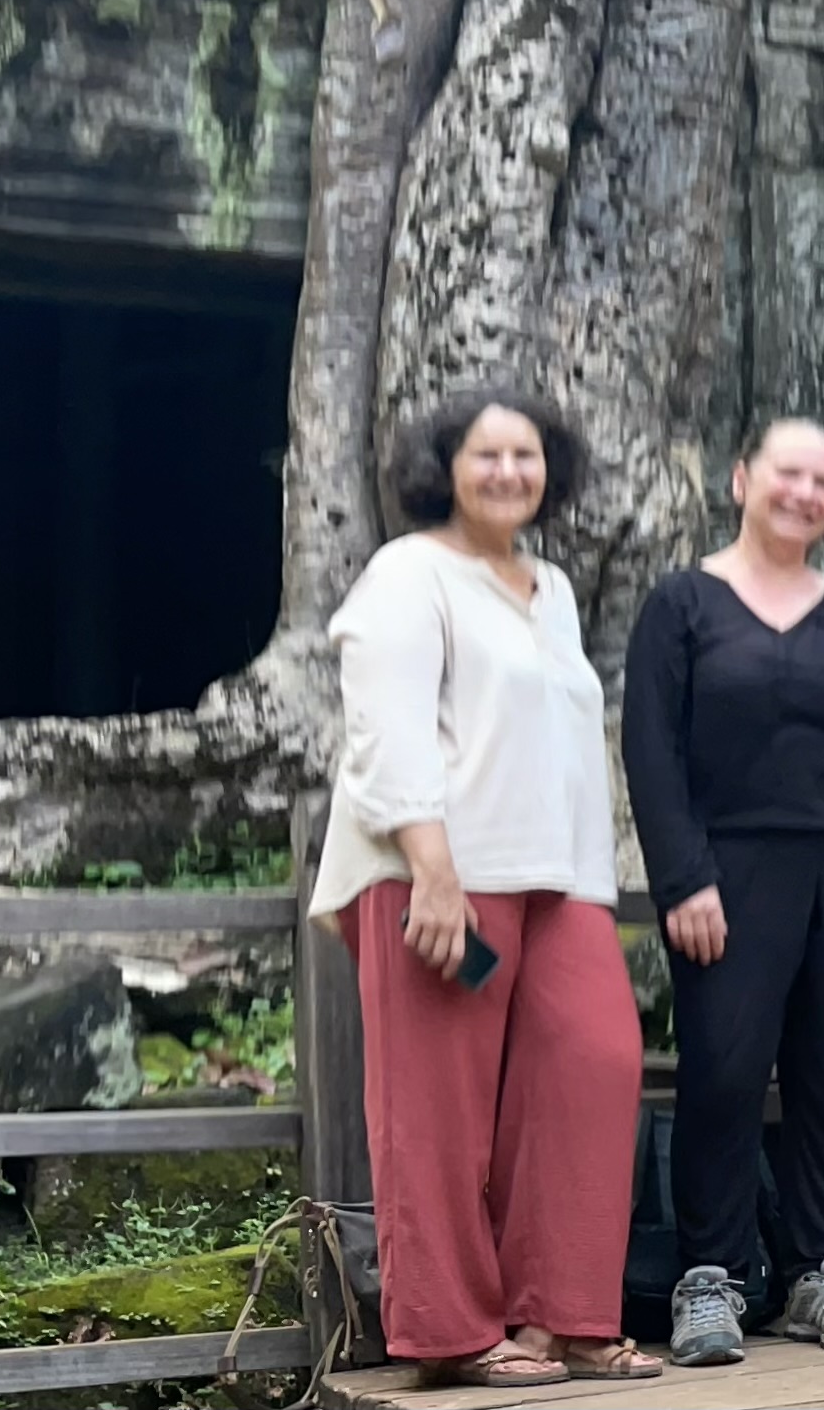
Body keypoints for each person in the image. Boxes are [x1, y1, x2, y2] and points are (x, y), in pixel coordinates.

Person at [311, 382, 653, 1393]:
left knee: (595, 1059)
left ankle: (563, 1315)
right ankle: (454, 1332)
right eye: (486, 454)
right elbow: (386, 725)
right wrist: (431, 866)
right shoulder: (407, 573)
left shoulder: (549, 586)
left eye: (526, 455)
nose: (509, 471)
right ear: (444, 468)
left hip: (556, 876)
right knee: (437, 1111)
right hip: (436, 873)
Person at [622, 417, 824, 1369]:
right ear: (741, 478)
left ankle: (820, 1268)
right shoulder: (680, 604)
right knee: (722, 1069)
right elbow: (650, 753)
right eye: (786, 473)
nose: (804, 493)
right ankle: (709, 1275)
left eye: (822, 480)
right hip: (727, 874)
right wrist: (682, 875)